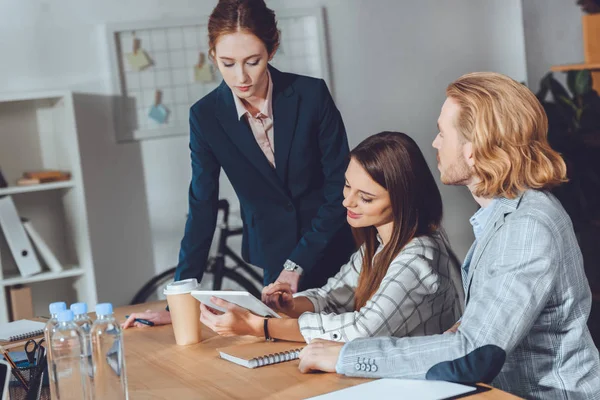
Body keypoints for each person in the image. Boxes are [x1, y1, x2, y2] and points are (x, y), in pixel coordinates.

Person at [296, 72, 600, 399]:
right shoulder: (507, 217)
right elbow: (475, 336)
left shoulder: (526, 228)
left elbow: (472, 353)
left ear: (473, 149)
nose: (435, 143)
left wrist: (347, 356)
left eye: (442, 133)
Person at [123, 0, 354, 329]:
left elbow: (339, 187)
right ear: (213, 54)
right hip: (274, 255)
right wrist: (178, 306)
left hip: (335, 245)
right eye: (228, 63)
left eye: (253, 61)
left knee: (344, 339)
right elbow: (202, 206)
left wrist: (298, 263)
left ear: (272, 49)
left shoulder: (311, 95)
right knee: (287, 349)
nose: (241, 77)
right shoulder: (205, 117)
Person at [199, 132, 464, 343]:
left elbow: (361, 330)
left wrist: (262, 326)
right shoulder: (378, 246)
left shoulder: (417, 259)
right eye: (347, 186)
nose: (348, 201)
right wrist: (290, 304)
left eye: (366, 197)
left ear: (403, 200)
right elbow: (332, 298)